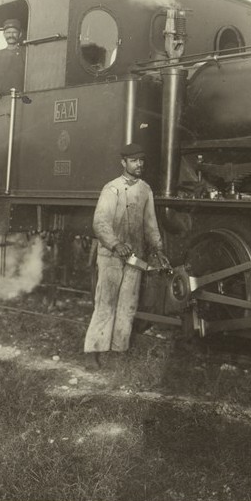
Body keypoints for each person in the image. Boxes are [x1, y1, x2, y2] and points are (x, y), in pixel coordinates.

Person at [83, 142, 164, 370]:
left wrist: (158, 249)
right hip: (111, 256)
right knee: (105, 304)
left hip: (135, 257)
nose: (139, 165)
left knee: (128, 306)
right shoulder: (112, 189)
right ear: (123, 162)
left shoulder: (145, 190)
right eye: (134, 161)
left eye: (141, 160)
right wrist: (115, 244)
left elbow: (150, 224)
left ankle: (118, 352)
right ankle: (93, 352)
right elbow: (100, 222)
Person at [0, 18, 26, 98]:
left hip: (20, 98)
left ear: (20, 34)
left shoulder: (26, 53)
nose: (11, 35)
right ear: (4, 34)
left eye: (14, 32)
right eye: (8, 32)